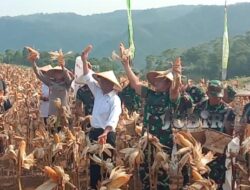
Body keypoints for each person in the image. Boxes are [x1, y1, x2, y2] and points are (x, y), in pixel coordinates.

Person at [119, 43, 181, 190]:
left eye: (160, 79)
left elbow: (175, 90)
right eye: (156, 79)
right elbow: (134, 84)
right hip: (146, 140)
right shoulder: (150, 94)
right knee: (145, 172)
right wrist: (126, 65)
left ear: (167, 83)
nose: (156, 81)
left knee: (161, 174)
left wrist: (177, 74)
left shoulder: (170, 97)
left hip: (163, 141)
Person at [80, 45, 122, 190]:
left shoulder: (115, 99)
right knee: (94, 163)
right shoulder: (98, 92)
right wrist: (84, 60)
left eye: (104, 81)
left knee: (108, 163)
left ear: (111, 84)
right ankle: (94, 186)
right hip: (95, 132)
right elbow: (87, 77)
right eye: (101, 80)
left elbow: (114, 117)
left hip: (107, 134)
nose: (100, 82)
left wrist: (105, 132)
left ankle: (110, 186)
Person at [193, 80, 235, 189]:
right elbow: (193, 130)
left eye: (219, 96)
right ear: (207, 94)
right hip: (200, 154)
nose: (217, 99)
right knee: (200, 182)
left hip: (219, 154)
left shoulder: (228, 111)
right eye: (214, 96)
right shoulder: (199, 108)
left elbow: (230, 134)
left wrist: (224, 148)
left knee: (217, 184)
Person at [26, 47, 74, 117]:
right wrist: (33, 62)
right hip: (52, 114)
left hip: (64, 114)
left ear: (62, 73)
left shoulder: (67, 84)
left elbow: (68, 78)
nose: (57, 73)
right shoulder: (50, 82)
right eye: (56, 72)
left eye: (59, 72)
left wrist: (63, 67)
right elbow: (39, 74)